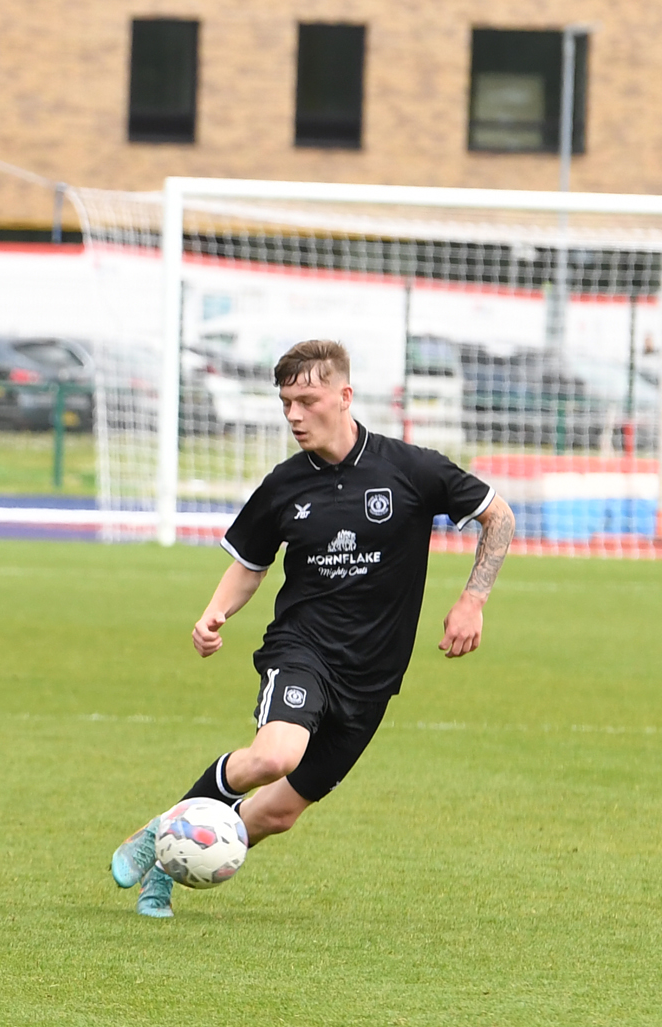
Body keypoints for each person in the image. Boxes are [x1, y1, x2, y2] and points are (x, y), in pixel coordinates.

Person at [109, 339, 515, 918]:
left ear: (344, 395)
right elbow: (250, 564)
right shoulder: (285, 485)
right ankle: (159, 833)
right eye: (285, 404)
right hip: (303, 651)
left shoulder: (411, 469)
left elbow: (498, 516)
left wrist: (474, 599)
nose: (294, 415)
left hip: (373, 677)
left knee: (277, 813)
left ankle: (166, 862)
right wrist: (214, 612)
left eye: (306, 399)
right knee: (274, 756)